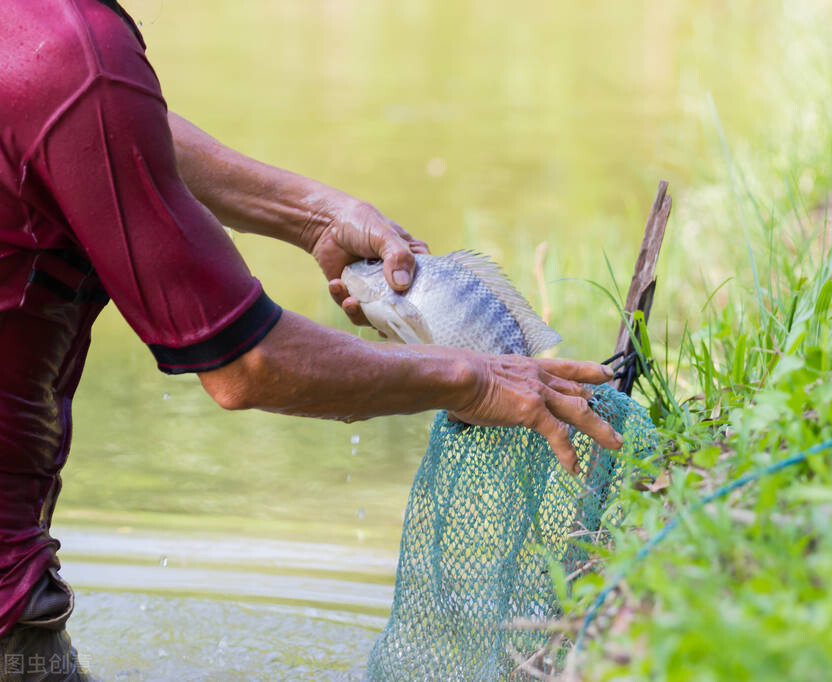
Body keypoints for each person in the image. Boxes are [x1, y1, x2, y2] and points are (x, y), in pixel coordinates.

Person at [0, 0, 622, 678]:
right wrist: (474, 378)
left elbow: (84, 123)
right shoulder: (72, 49)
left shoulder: (42, 43)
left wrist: (312, 215)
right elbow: (247, 364)